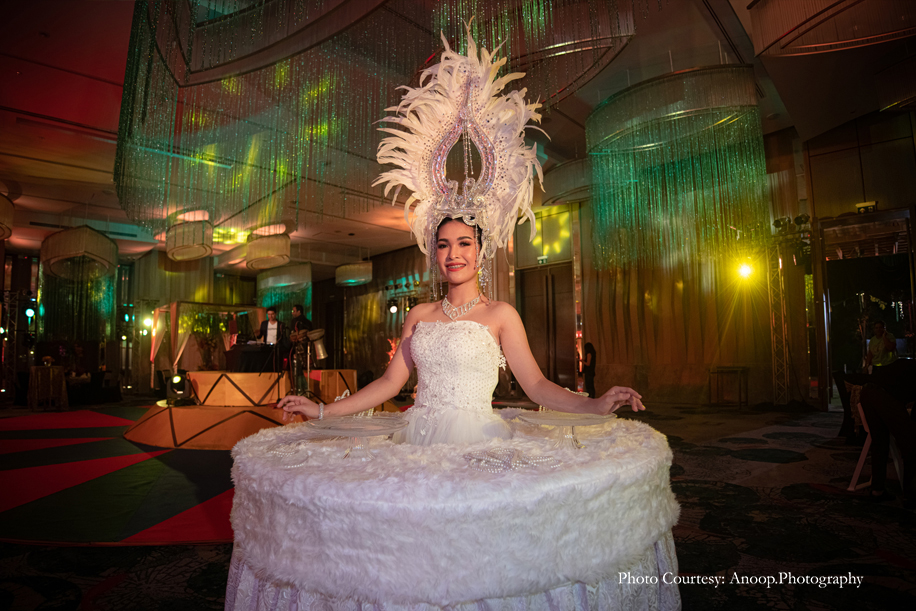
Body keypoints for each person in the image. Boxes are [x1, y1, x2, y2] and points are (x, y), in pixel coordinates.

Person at [279, 218, 645, 445]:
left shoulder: (501, 314)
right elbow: (390, 383)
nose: (453, 253)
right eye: (443, 245)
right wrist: (323, 411)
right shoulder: (419, 314)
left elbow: (535, 385)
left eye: (464, 243)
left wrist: (593, 405)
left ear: (481, 253)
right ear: (435, 254)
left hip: (475, 438)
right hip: (415, 434)